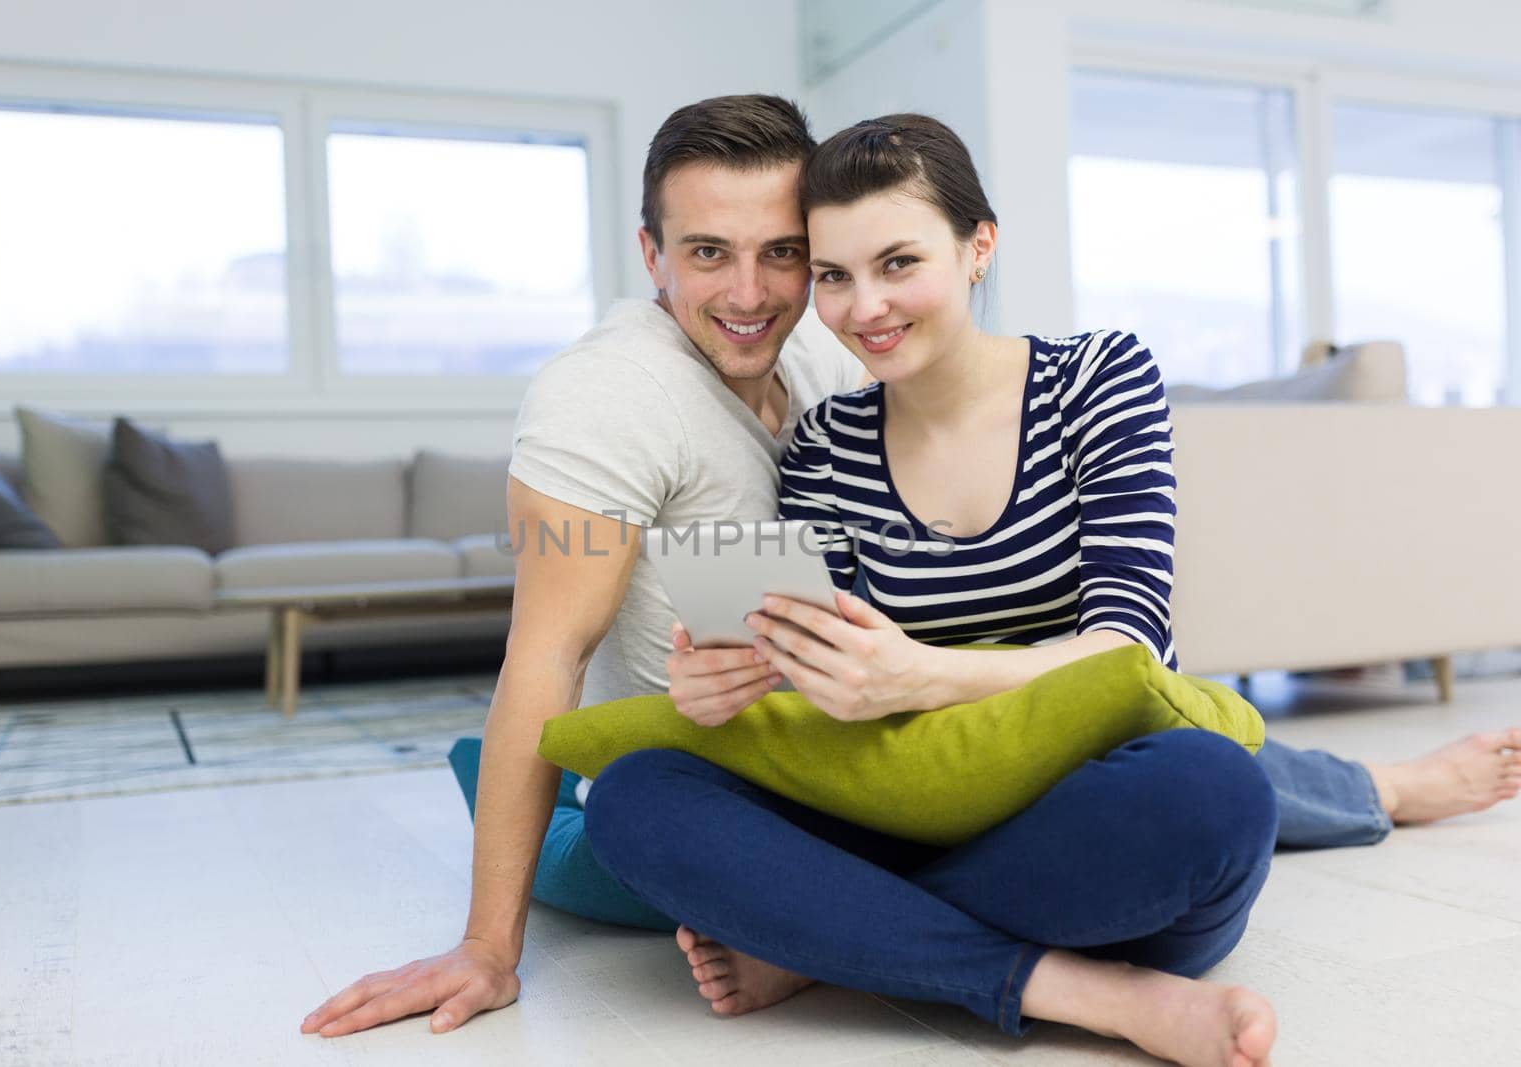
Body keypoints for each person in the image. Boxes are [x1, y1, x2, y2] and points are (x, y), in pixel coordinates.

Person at [299, 95, 1521, 1049]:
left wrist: (901, 679)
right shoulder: (719, 420)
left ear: (974, 246)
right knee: (637, 804)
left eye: (797, 257)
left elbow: (1126, 652)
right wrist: (492, 937)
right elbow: (587, 655)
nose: (783, 296)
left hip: (1012, 769)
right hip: (873, 785)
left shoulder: (930, 370)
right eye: (724, 255)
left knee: (1208, 790)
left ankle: (833, 941)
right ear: (651, 254)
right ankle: (1082, 993)